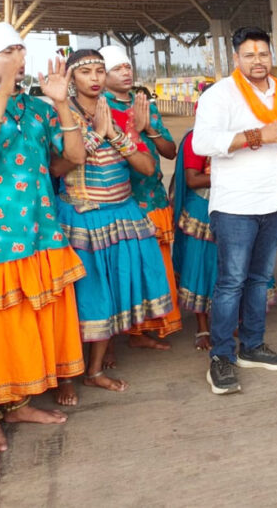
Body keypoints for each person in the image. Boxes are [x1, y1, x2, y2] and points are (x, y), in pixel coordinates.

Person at [192, 27, 277, 395]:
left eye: (263, 54)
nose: (258, 61)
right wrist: (259, 135)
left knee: (260, 280)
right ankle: (222, 358)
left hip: (274, 203)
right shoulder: (219, 95)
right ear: (236, 59)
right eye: (250, 55)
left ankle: (252, 345)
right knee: (231, 282)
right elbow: (203, 142)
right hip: (235, 205)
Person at [54, 49, 175, 404]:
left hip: (121, 214)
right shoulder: (58, 113)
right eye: (85, 71)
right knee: (82, 299)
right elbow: (58, 168)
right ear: (71, 78)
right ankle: (66, 375)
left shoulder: (119, 113)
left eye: (99, 70)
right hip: (82, 215)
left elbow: (149, 168)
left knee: (108, 296)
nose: (94, 77)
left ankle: (94, 371)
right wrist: (95, 135)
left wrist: (117, 135)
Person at [0, 24, 86, 454]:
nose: (18, 57)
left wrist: (62, 105)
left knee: (28, 322)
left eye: (21, 50)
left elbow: (75, 157)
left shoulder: (37, 109)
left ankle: (18, 403)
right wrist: (3, 93)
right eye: (8, 50)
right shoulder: (1, 102)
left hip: (41, 230)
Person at [100, 45, 182, 349]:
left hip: (154, 198)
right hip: (121, 202)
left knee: (156, 266)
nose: (126, 72)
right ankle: (119, 337)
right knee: (125, 268)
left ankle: (147, 329)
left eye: (127, 66)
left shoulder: (144, 104)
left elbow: (170, 152)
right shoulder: (99, 107)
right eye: (117, 68)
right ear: (103, 76)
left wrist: (149, 128)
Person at [171, 105, 219, 351]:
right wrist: (232, 174)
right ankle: (203, 326)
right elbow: (192, 179)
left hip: (236, 205)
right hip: (202, 208)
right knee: (201, 267)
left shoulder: (240, 132)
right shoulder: (195, 137)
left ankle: (228, 318)